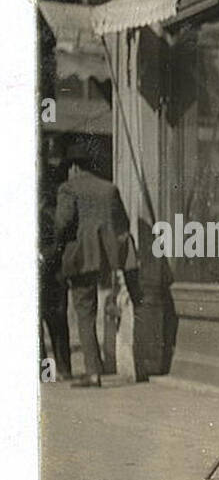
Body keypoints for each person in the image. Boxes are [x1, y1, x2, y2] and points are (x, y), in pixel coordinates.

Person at [54, 144, 137, 387]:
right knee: (104, 307)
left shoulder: (68, 188)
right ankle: (108, 363)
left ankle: (93, 372)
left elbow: (62, 222)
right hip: (106, 257)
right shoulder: (109, 188)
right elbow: (122, 222)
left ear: (74, 167)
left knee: (84, 313)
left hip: (80, 259)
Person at [39, 171, 72, 381]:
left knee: (56, 325)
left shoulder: (51, 217)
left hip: (52, 277)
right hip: (47, 278)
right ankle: (50, 372)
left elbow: (60, 245)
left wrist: (42, 256)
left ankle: (61, 370)